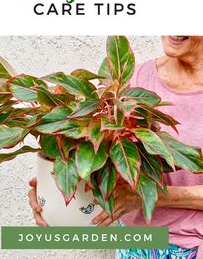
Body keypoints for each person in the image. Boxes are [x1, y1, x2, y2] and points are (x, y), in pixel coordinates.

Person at [28, 36, 203, 259]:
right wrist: (54, 190)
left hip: (192, 247)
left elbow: (136, 192)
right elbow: (100, 165)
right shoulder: (132, 82)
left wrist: (148, 197)